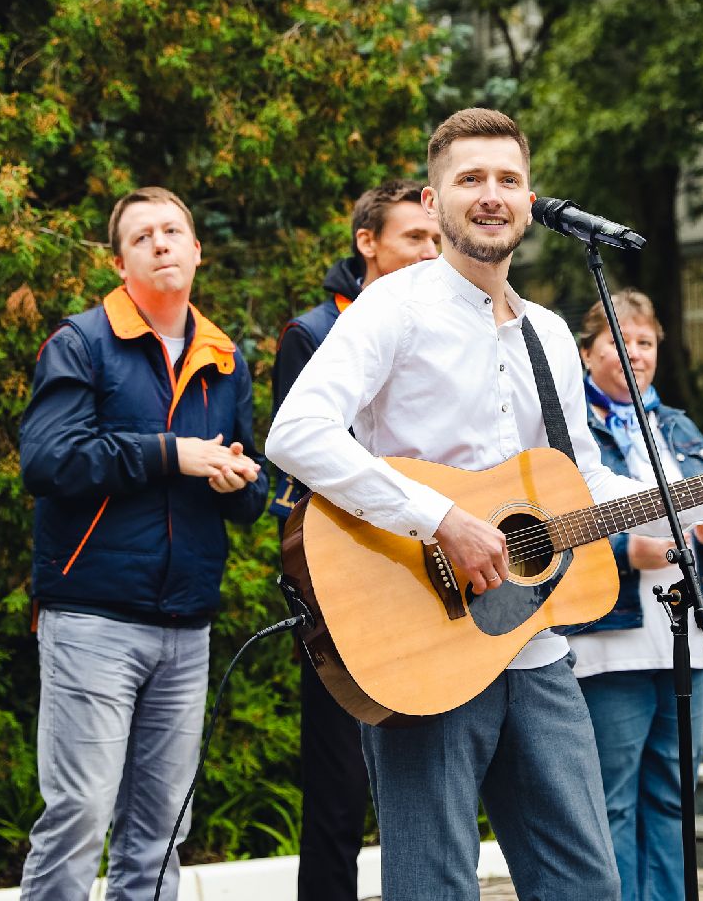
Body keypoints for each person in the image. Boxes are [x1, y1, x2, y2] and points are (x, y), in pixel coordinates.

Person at [266, 106, 703, 901]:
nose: (491, 194)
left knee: (585, 881)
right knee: (434, 884)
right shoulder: (393, 307)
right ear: (436, 200)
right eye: (469, 179)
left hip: (536, 644)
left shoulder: (549, 334)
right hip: (420, 630)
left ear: (530, 200)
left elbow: (585, 484)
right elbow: (296, 433)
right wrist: (442, 518)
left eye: (507, 180)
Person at [18, 186, 268, 899]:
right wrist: (172, 454)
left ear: (197, 249)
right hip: (92, 617)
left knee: (160, 831)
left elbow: (251, 495)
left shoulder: (224, 356)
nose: (160, 244)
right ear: (121, 261)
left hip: (187, 624)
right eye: (141, 236)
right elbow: (48, 461)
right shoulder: (81, 342)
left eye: (172, 231)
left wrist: (240, 480)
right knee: (79, 816)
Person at [268, 180, 439, 901]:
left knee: (426, 780)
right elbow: (305, 466)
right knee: (337, 789)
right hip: (350, 579)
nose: (432, 252)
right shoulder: (312, 334)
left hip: (433, 576)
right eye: (415, 239)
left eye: (436, 239)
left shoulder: (443, 329)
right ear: (367, 243)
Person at [567, 289, 703, 901]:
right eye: (619, 341)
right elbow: (544, 535)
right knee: (611, 801)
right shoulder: (570, 430)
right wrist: (623, 554)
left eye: (645, 342)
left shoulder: (678, 427)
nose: (634, 353)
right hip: (611, 640)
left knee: (675, 796)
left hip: (686, 638)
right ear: (586, 353)